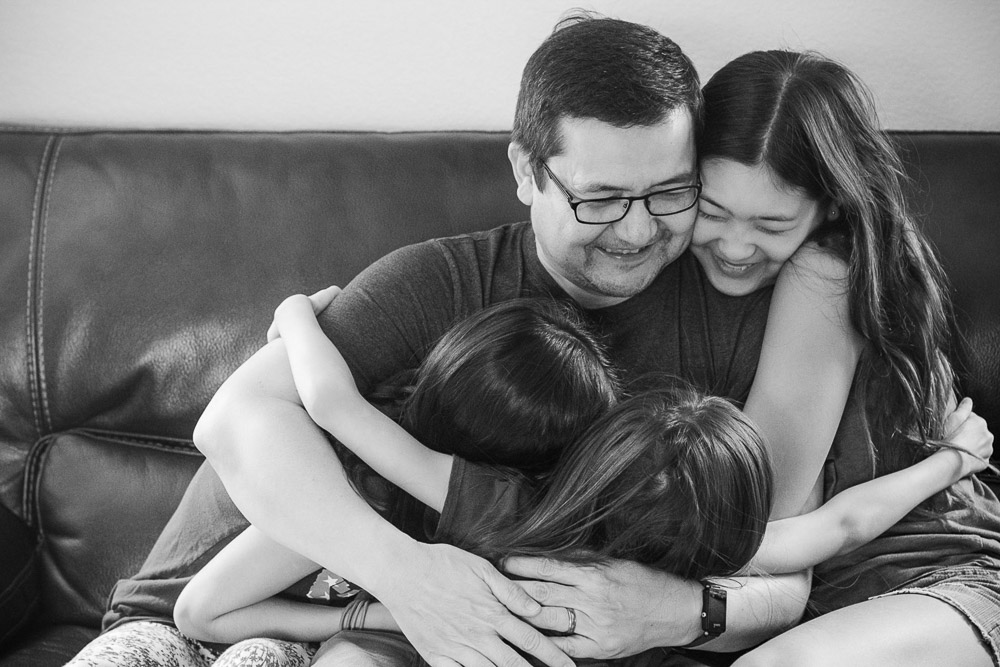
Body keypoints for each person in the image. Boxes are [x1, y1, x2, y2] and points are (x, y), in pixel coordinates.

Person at [173, 293, 774, 666]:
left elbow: (333, 403)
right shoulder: (500, 515)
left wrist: (294, 313)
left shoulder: (492, 506)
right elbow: (799, 546)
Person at [683, 49, 1000, 666]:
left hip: (940, 579)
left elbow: (757, 514)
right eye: (712, 211)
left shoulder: (827, 269)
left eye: (771, 223)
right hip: (819, 598)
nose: (735, 246)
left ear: (830, 204)